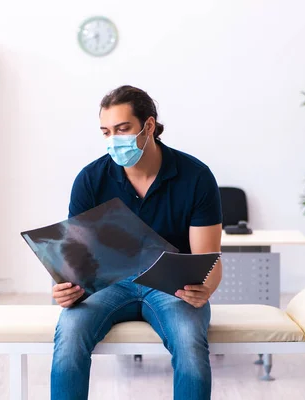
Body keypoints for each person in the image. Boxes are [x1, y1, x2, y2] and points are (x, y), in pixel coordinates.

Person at [50, 85, 223, 400]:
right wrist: (66, 288)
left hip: (173, 288)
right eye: (106, 131)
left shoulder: (195, 177)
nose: (114, 140)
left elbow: (209, 260)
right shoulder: (90, 180)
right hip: (109, 286)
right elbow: (76, 261)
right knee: (70, 334)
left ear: (149, 126)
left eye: (122, 129)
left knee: (190, 344)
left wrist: (204, 289)